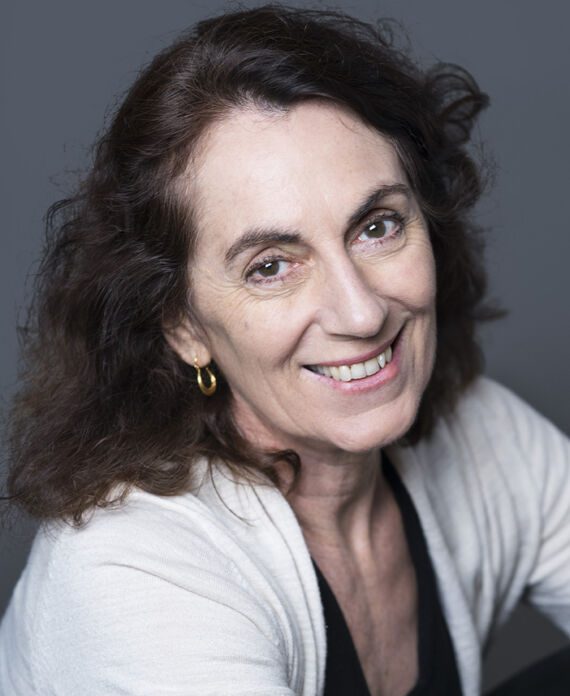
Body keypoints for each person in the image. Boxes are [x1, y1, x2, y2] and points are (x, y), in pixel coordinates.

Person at [0, 4, 568, 695]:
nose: (361, 312)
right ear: (183, 327)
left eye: (378, 226)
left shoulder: (483, 438)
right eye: (270, 266)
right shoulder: (132, 573)